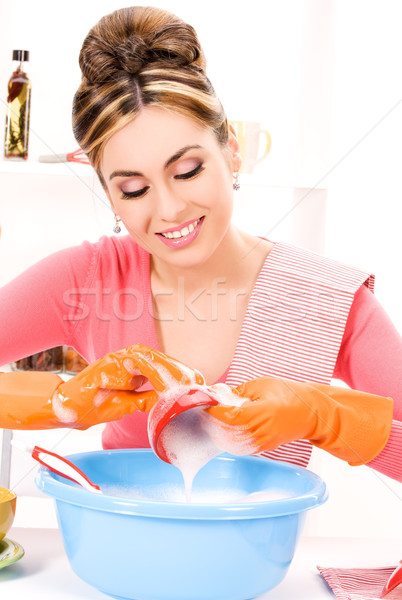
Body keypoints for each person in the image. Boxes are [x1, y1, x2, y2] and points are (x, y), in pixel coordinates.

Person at [0, 6, 400, 482]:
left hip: (259, 555)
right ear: (107, 191)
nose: (169, 209)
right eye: (134, 189)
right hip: (116, 553)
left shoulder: (327, 298)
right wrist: (60, 403)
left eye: (187, 170)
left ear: (231, 151)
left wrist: (327, 416)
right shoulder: (86, 280)